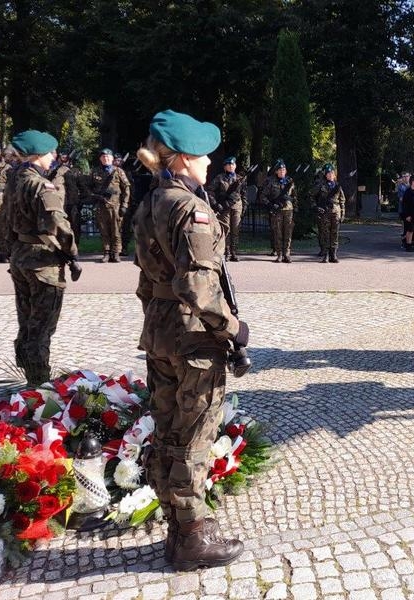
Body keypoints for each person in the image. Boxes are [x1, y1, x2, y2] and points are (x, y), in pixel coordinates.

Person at [133, 109, 247, 570]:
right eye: (202, 156)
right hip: (193, 336)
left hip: (162, 331)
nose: (209, 164)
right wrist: (233, 329)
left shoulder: (151, 203)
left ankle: (178, 529)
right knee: (194, 434)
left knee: (168, 429)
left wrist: (159, 320)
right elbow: (198, 286)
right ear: (180, 159)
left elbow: (148, 281)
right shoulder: (192, 209)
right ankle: (192, 539)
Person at [6, 130, 81, 387]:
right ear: (38, 155)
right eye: (50, 153)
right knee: (42, 326)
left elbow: (6, 218)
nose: (54, 157)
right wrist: (72, 254)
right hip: (42, 262)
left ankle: (29, 376)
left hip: (20, 256)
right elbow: (59, 223)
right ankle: (39, 386)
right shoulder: (40, 185)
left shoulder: (14, 178)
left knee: (27, 321)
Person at [88, 148, 130, 263]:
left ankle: (115, 253)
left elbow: (126, 188)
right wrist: (94, 196)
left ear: (112, 159)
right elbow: (88, 187)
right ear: (100, 159)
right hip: (101, 206)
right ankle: (106, 253)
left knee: (116, 231)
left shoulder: (118, 171)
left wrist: (124, 205)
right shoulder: (95, 172)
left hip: (115, 205)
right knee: (104, 231)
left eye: (108, 157)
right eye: (103, 157)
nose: (105, 159)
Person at [205, 156, 245, 261]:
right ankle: (226, 252)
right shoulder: (220, 178)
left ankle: (234, 252)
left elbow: (244, 195)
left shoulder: (240, 179)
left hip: (237, 206)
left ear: (235, 166)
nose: (231, 166)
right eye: (228, 165)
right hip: (224, 207)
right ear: (225, 167)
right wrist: (215, 204)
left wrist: (244, 207)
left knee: (235, 229)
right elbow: (210, 191)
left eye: (232, 164)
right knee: (225, 229)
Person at [261, 159, 296, 263]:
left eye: (284, 170)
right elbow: (263, 196)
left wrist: (293, 204)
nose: (282, 172)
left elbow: (294, 196)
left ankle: (287, 254)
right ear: (276, 171)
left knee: (288, 233)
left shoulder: (290, 181)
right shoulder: (271, 182)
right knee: (278, 233)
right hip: (277, 211)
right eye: (280, 170)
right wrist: (271, 205)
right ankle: (279, 254)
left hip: (289, 210)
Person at [313, 163, 346, 263]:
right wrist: (316, 207)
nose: (330, 175)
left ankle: (334, 254)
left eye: (332, 173)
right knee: (325, 233)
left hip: (336, 212)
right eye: (328, 174)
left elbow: (342, 200)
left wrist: (342, 212)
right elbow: (311, 196)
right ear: (325, 175)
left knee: (334, 233)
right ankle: (326, 254)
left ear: (334, 175)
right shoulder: (320, 185)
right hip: (324, 212)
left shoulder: (338, 186)